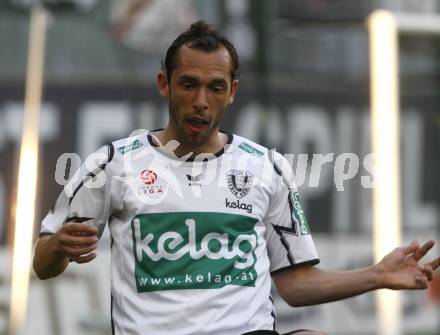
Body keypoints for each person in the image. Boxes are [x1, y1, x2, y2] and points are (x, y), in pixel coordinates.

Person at [33, 20, 440, 335]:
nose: (200, 102)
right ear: (164, 84)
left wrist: (378, 276)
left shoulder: (266, 167)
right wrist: (58, 247)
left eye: (215, 87)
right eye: (188, 85)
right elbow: (42, 264)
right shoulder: (114, 164)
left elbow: (295, 286)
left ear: (232, 92)